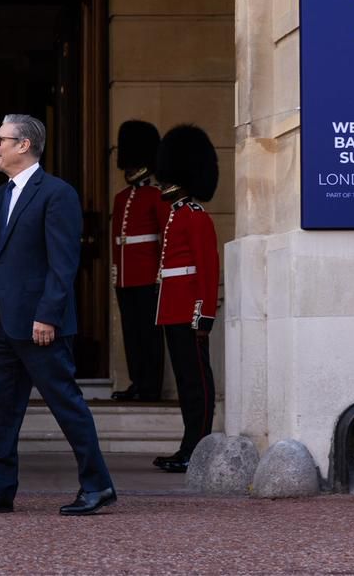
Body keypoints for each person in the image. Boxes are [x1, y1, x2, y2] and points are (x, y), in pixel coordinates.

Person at [0, 114, 116, 516]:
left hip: (40, 325)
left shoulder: (57, 194)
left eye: (1, 140)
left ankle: (98, 485)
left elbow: (63, 263)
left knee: (66, 404)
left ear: (24, 145)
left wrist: (48, 315)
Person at [152, 125, 219, 474]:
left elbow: (207, 271)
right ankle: (188, 446)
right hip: (172, 309)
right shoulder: (177, 214)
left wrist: (203, 315)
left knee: (196, 382)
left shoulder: (195, 216)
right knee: (184, 381)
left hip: (189, 312)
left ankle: (198, 447)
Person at [110, 120, 166, 402]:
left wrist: (160, 275)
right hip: (126, 276)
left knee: (150, 334)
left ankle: (151, 386)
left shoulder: (156, 196)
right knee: (131, 333)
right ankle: (137, 382)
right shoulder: (121, 198)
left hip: (147, 275)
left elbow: (163, 238)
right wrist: (116, 273)